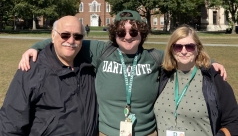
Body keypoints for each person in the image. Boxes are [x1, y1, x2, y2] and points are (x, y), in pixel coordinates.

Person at [18, 10, 227, 136]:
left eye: (134, 32)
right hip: (105, 133)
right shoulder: (101, 51)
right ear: (114, 34)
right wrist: (36, 46)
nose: (127, 36)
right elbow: (69, 40)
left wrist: (212, 63)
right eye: (121, 32)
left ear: (142, 33)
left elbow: (184, 53)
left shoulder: (153, 57)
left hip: (146, 133)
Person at [0, 16, 98, 136]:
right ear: (53, 36)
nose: (71, 41)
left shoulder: (89, 68)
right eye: (65, 35)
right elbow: (10, 122)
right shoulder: (32, 69)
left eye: (77, 36)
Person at [154, 25, 238, 136]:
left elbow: (233, 121)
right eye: (178, 47)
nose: (183, 51)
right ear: (171, 49)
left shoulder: (213, 78)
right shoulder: (164, 76)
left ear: (198, 49)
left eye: (189, 47)